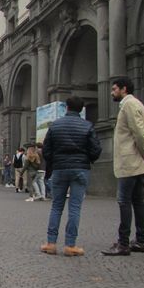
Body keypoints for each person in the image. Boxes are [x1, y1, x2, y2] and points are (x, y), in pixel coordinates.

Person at [102, 77, 144, 256]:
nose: (112, 93)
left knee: (124, 201)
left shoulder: (129, 105)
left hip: (130, 162)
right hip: (135, 161)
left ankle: (123, 243)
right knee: (137, 200)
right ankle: (141, 240)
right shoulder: (135, 104)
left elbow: (139, 133)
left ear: (124, 89)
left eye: (114, 89)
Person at [40, 96, 101, 256]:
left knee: (56, 206)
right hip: (80, 169)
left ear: (67, 107)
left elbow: (46, 150)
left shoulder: (55, 125)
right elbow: (96, 149)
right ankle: (70, 245)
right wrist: (87, 159)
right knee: (75, 207)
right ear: (81, 109)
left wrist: (54, 162)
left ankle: (51, 243)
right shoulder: (87, 126)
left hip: (60, 169)